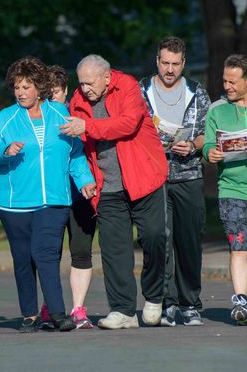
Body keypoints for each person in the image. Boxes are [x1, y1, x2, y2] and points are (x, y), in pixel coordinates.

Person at [0, 56, 96, 333]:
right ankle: (30, 314)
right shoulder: (6, 118)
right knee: (23, 258)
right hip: (15, 202)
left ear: (40, 88)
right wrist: (4, 151)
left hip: (54, 199)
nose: (21, 92)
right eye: (17, 87)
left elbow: (76, 153)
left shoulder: (60, 113)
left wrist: (85, 180)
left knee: (44, 253)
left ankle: (57, 314)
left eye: (26, 87)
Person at [62, 54, 168, 329]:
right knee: (113, 250)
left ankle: (154, 296)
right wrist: (85, 178)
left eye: (89, 83)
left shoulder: (129, 87)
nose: (84, 89)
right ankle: (123, 311)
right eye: (81, 83)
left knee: (154, 237)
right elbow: (79, 147)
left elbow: (127, 124)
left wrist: (88, 126)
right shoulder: (77, 100)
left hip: (143, 177)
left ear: (106, 77)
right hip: (107, 185)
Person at [139, 36, 210, 327]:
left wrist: (193, 144)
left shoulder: (197, 92)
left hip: (189, 175)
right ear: (157, 61)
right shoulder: (140, 91)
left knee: (189, 241)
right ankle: (166, 302)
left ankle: (190, 302)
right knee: (160, 241)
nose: (170, 70)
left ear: (184, 64)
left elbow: (209, 133)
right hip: (153, 176)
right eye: (165, 63)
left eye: (175, 64)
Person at [37, 64, 97, 330]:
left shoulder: (78, 112)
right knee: (50, 252)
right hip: (51, 193)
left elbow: (84, 151)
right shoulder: (37, 120)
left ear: (65, 91)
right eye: (46, 96)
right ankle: (51, 305)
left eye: (55, 94)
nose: (52, 101)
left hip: (80, 191)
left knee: (81, 251)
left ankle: (78, 309)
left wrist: (87, 180)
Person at [203, 54, 247, 325]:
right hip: (231, 190)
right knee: (238, 248)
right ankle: (240, 301)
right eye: (225, 80)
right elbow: (207, 145)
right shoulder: (217, 110)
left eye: (233, 82)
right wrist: (209, 153)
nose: (227, 86)